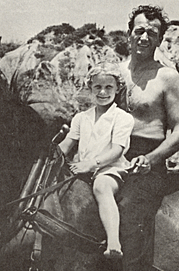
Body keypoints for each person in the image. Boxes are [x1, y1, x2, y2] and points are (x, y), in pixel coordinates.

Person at [116, 5, 179, 271]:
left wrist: (150, 159)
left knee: (130, 209)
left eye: (152, 33)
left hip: (147, 159)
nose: (144, 37)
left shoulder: (168, 77)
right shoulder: (115, 73)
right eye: (139, 31)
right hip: (113, 151)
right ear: (129, 34)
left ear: (159, 39)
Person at [59, 62, 134, 259]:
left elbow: (117, 150)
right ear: (90, 88)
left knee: (102, 186)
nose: (103, 92)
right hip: (82, 168)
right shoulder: (81, 118)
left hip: (110, 169)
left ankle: (113, 241)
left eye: (109, 87)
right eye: (97, 87)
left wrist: (91, 164)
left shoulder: (123, 118)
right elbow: (68, 143)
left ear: (117, 89)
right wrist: (53, 153)